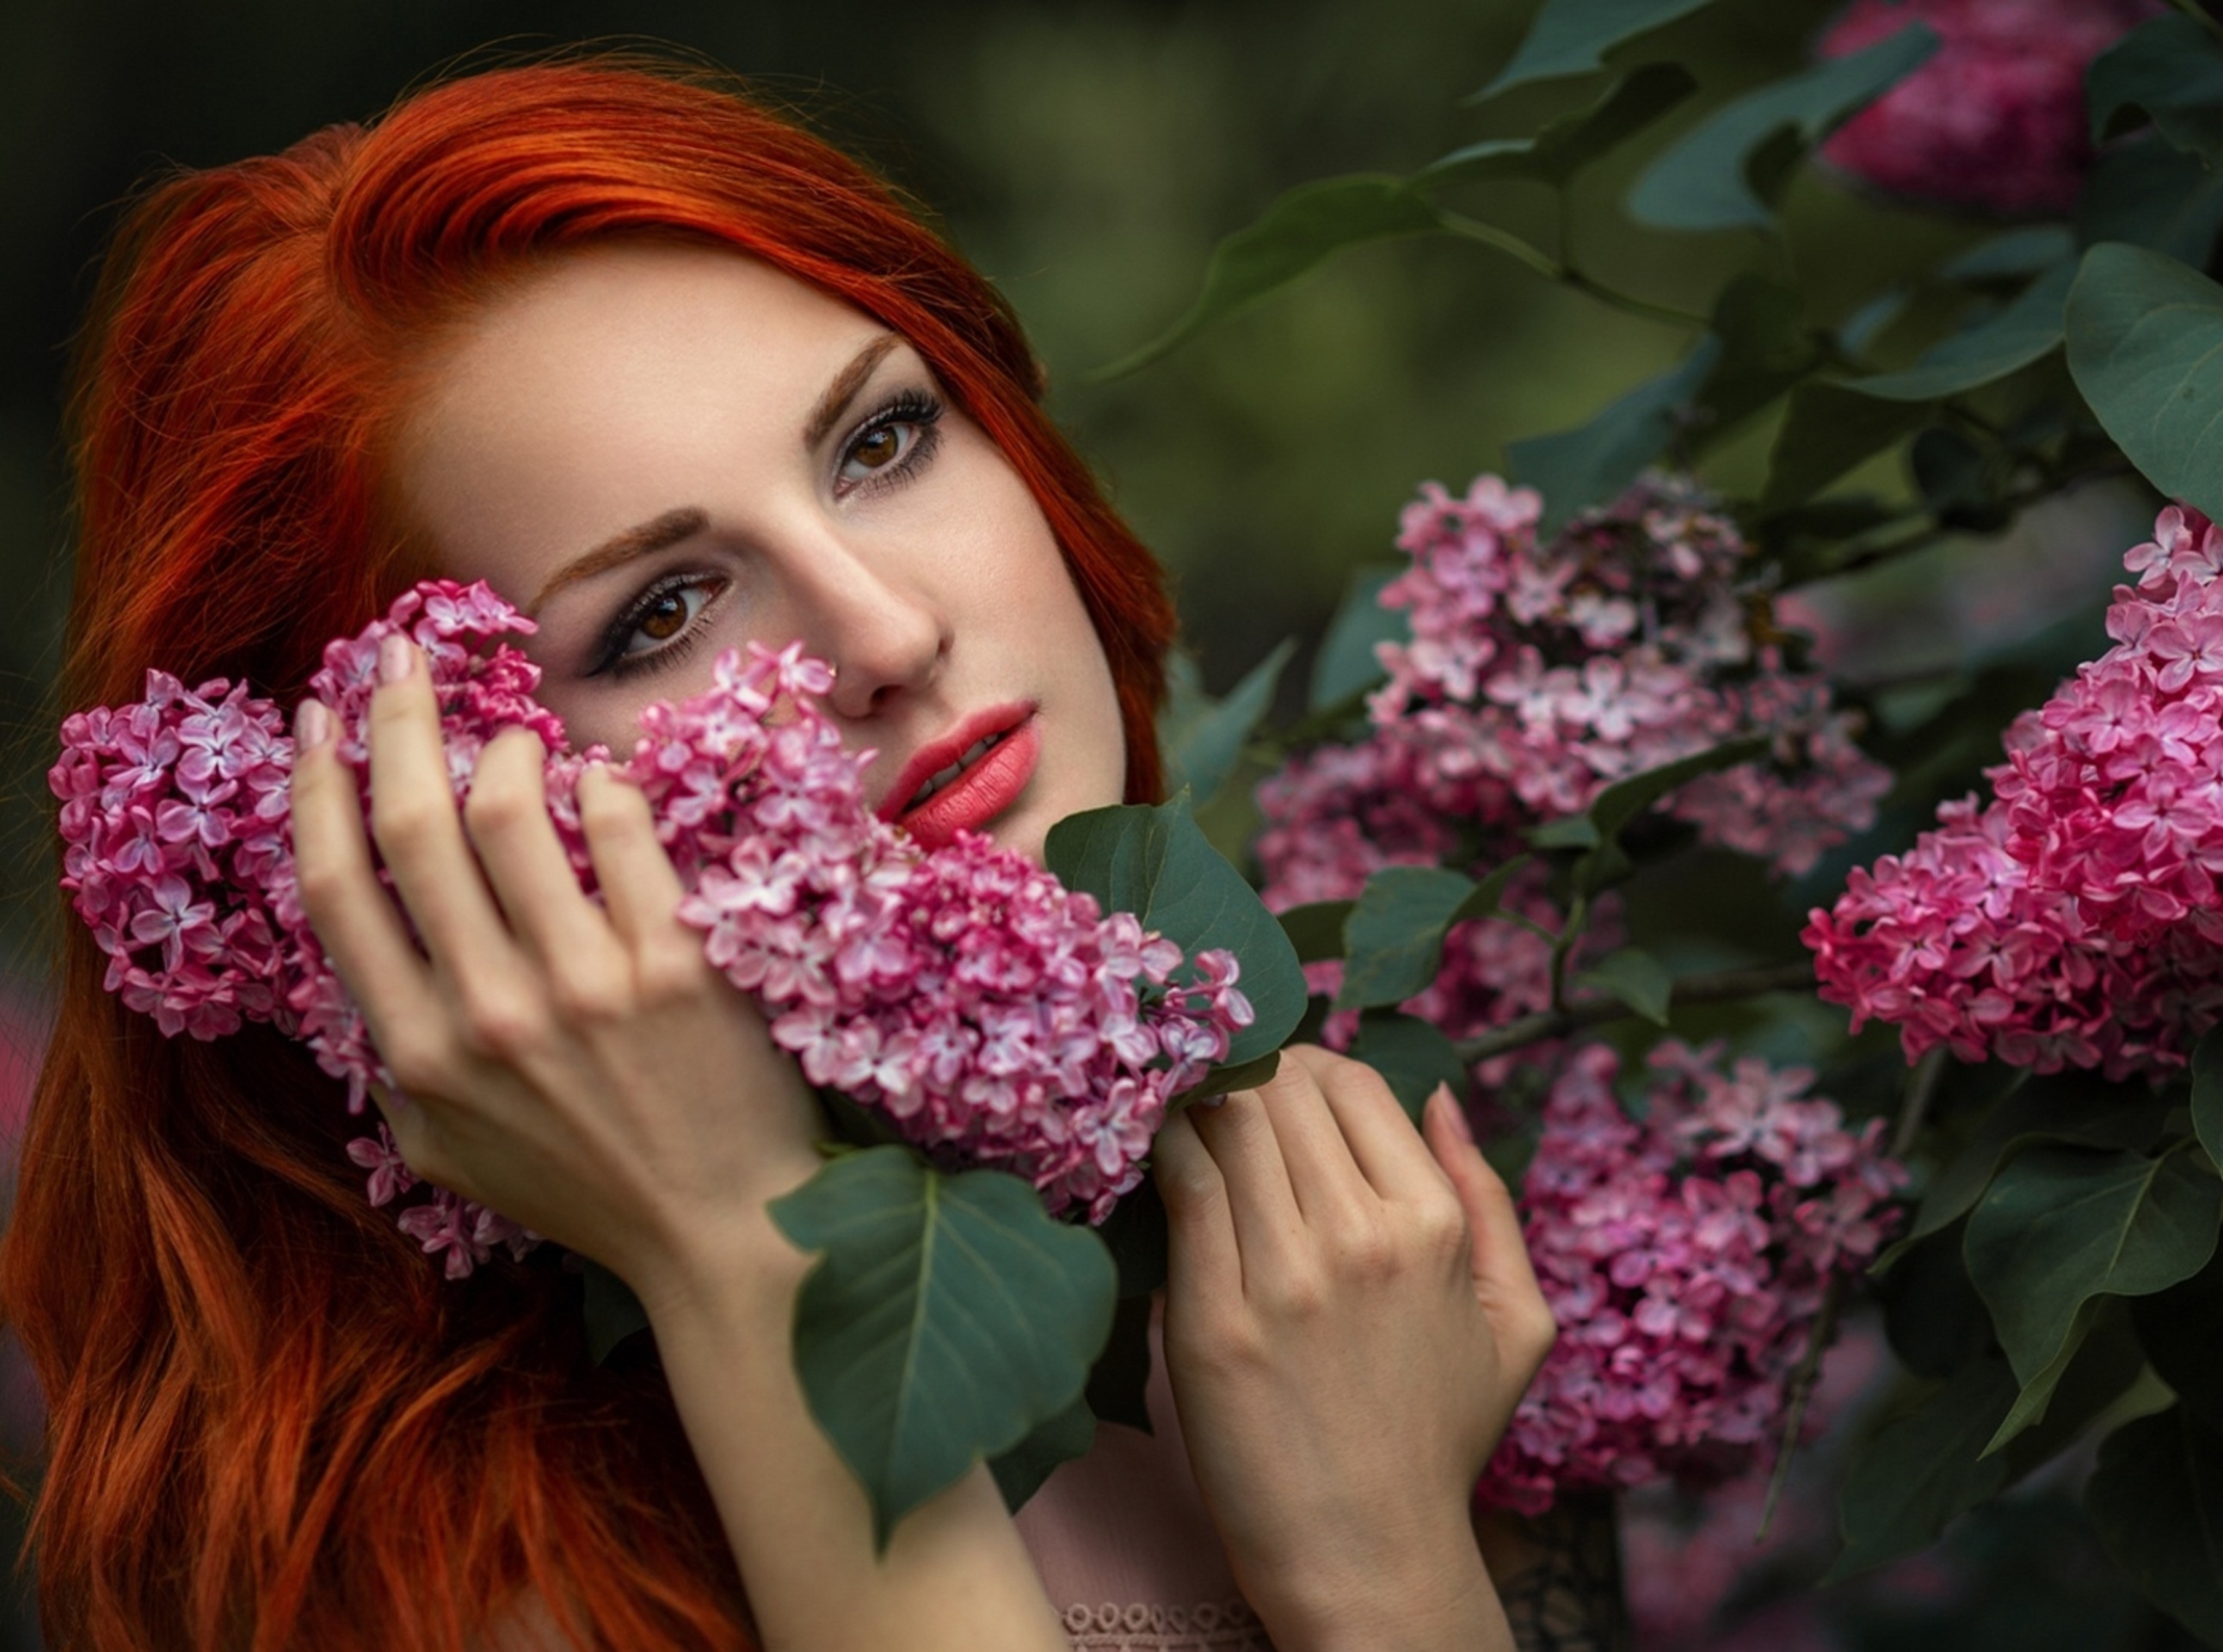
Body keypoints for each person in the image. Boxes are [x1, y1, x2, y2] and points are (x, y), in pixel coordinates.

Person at [4, 56, 1559, 1652]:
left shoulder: (1376, 1271)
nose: (889, 630)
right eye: (663, 613)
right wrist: (732, 1238)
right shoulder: (478, 1585)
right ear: (407, 826)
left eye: (882, 443)